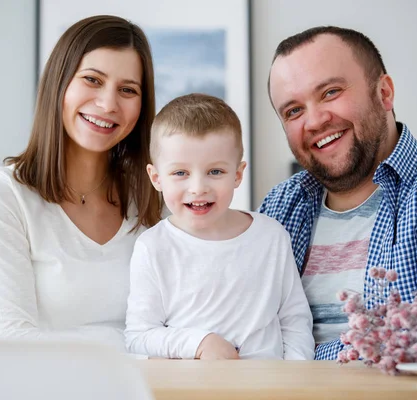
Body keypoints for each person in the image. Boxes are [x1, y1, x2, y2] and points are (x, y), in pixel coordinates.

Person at [261, 26, 417, 360]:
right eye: (293, 111)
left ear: (384, 93)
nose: (314, 121)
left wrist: (300, 358)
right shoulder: (279, 207)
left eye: (330, 92)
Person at [0, 15, 162, 348]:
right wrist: (141, 345)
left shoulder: (151, 194)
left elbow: (180, 320)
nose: (108, 103)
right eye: (92, 79)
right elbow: (12, 342)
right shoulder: (1, 196)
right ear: (60, 83)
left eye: (128, 90)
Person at [125, 93, 314, 360]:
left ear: (237, 175)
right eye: (180, 173)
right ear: (156, 178)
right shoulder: (153, 247)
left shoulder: (271, 236)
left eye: (215, 172)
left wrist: (295, 380)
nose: (198, 188)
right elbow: (139, 336)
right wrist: (200, 343)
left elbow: (294, 322)